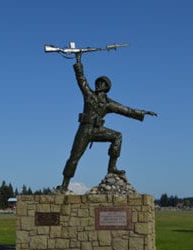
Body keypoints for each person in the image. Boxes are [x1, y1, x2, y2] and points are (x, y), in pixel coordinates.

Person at [57, 52, 157, 191]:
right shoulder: (89, 95)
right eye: (98, 82)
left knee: (117, 136)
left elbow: (126, 110)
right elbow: (81, 79)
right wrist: (78, 61)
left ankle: (112, 168)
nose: (99, 84)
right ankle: (64, 185)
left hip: (97, 130)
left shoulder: (108, 103)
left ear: (106, 87)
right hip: (84, 130)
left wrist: (142, 112)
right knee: (74, 157)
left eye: (102, 83)